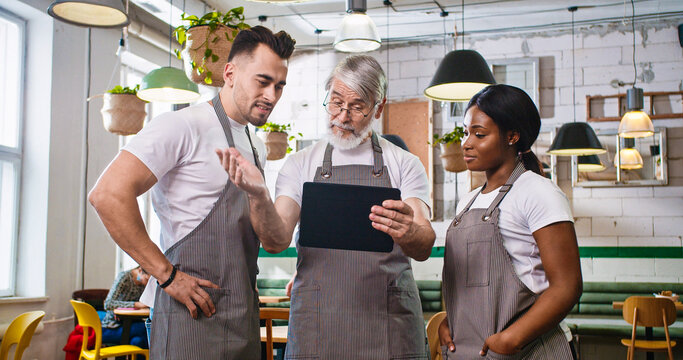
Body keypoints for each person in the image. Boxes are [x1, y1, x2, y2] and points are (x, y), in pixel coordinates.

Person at [88, 26, 295, 359]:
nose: (272, 95)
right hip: (187, 315)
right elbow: (108, 195)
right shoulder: (183, 125)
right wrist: (167, 277)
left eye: (279, 85)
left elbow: (266, 237)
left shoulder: (255, 145)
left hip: (241, 315)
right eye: (262, 81)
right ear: (230, 72)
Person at [216, 54, 436, 359]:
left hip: (388, 323)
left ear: (378, 107)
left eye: (357, 107)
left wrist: (408, 230)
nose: (342, 116)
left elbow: (424, 244)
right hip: (318, 324)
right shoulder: (301, 163)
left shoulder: (405, 164)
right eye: (335, 102)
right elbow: (276, 240)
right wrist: (258, 195)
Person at [439, 84, 582, 359]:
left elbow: (567, 286)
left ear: (512, 136)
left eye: (479, 134)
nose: (466, 143)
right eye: (466, 132)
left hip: (528, 351)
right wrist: (451, 320)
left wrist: (510, 340)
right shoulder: (466, 203)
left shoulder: (539, 192)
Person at [101, 266, 150, 348]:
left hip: (132, 324)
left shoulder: (143, 284)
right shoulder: (124, 277)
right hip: (113, 326)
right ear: (140, 270)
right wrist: (136, 304)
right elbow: (108, 304)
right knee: (146, 328)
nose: (149, 283)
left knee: (138, 342)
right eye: (148, 279)